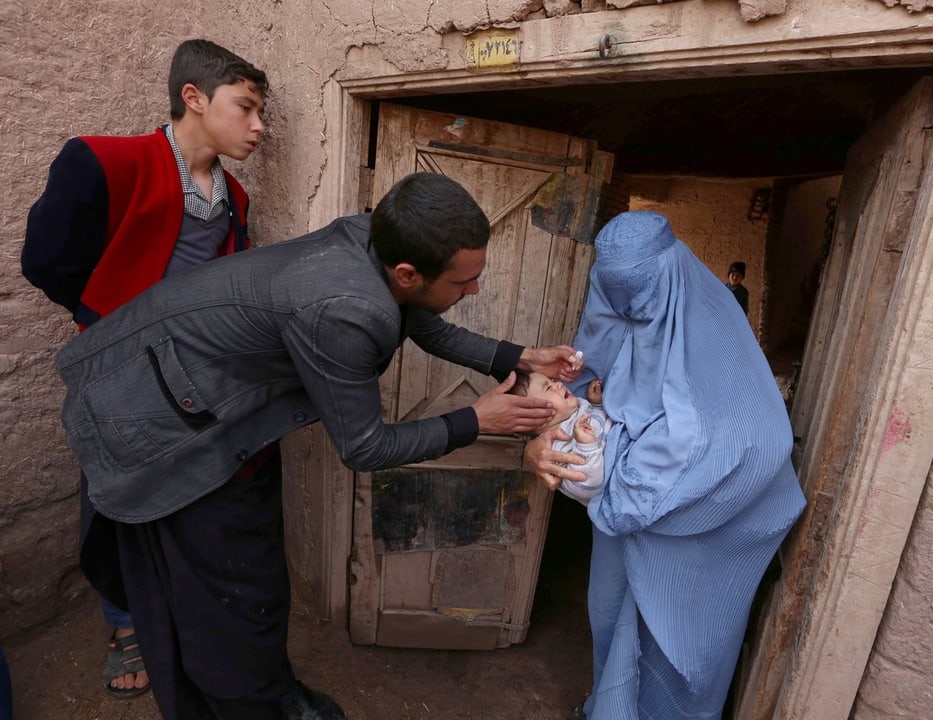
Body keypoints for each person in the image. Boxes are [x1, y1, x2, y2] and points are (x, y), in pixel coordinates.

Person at [51, 171, 581, 720]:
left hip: (201, 399)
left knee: (248, 578)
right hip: (154, 422)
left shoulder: (377, 236)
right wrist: (474, 419)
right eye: (463, 282)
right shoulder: (344, 308)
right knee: (225, 596)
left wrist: (519, 358)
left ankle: (263, 688)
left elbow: (424, 320)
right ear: (406, 272)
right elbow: (364, 448)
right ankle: (247, 703)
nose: (474, 290)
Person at [20, 38, 269, 702]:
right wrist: (111, 326)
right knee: (113, 504)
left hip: (194, 385)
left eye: (261, 113)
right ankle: (124, 624)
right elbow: (44, 259)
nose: (258, 127)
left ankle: (174, 618)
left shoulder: (234, 198)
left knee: (185, 497)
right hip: (121, 382)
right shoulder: (105, 160)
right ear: (194, 98)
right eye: (245, 108)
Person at [523, 211, 807, 720]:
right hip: (618, 517)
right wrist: (540, 442)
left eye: (642, 301)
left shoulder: (712, 323)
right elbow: (574, 395)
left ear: (671, 278)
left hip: (690, 528)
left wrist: (640, 485)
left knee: (674, 640)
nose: (629, 313)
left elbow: (756, 441)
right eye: (617, 301)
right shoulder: (615, 312)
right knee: (609, 616)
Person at [509, 369, 610, 505]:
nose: (559, 384)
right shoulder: (556, 449)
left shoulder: (577, 407)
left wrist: (597, 404)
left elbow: (603, 423)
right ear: (537, 419)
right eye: (548, 387)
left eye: (553, 380)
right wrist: (586, 448)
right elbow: (587, 489)